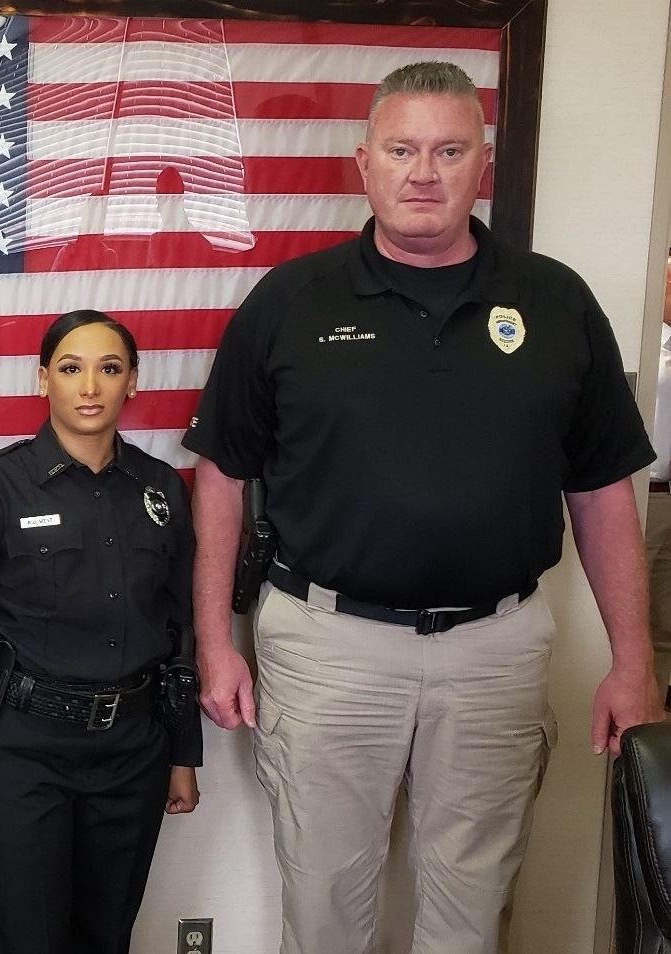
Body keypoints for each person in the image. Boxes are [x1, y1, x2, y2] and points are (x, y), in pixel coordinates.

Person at [183, 61, 664, 954]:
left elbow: (602, 488)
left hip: (497, 650)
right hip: (326, 649)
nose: (424, 173)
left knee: (473, 914)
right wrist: (213, 644)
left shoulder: (555, 301)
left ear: (483, 164)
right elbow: (222, 476)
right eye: (402, 150)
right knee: (323, 911)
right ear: (363, 162)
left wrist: (633, 661)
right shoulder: (290, 302)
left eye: (449, 150)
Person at [0, 310, 202, 954]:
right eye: (72, 369)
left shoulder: (160, 490)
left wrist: (183, 755)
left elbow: (178, 630)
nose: (91, 387)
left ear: (134, 381)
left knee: (107, 937)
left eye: (110, 369)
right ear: (43, 378)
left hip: (132, 752)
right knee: (29, 939)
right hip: (24, 753)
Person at [645, 250, 671, 701]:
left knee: (666, 608)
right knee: (639, 597)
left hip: (669, 493)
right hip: (643, 492)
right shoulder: (651, 346)